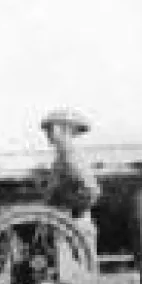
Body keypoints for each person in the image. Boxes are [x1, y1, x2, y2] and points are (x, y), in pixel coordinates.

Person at [40, 106, 102, 249]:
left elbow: (91, 191)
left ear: (64, 130)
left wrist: (70, 211)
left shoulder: (71, 157)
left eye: (51, 129)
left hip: (75, 227)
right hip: (66, 227)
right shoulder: (61, 159)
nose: (48, 134)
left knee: (75, 271)